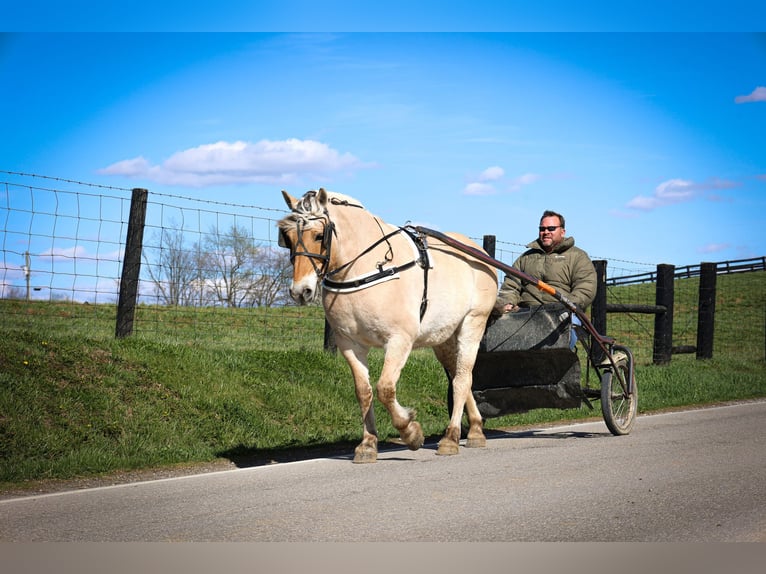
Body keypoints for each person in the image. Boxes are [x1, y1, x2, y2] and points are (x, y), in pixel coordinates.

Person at [495, 210, 597, 347]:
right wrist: (508, 302)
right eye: (542, 229)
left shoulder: (578, 257)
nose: (546, 232)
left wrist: (567, 307)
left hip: (562, 314)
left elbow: (585, 287)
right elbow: (511, 285)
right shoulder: (525, 258)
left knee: (566, 337)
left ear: (563, 231)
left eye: (551, 228)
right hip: (526, 314)